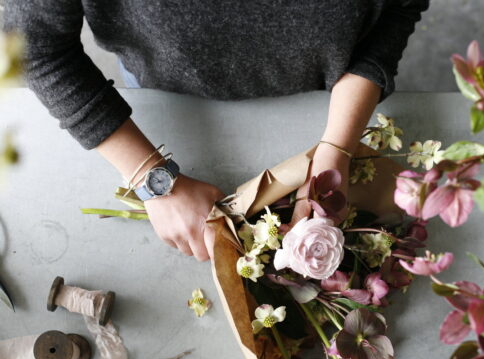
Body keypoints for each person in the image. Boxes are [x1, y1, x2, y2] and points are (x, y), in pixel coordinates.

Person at [3, 0, 429, 261]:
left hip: (334, 100)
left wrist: (337, 147)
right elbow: (35, 47)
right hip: (162, 100)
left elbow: (398, 8)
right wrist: (153, 179)